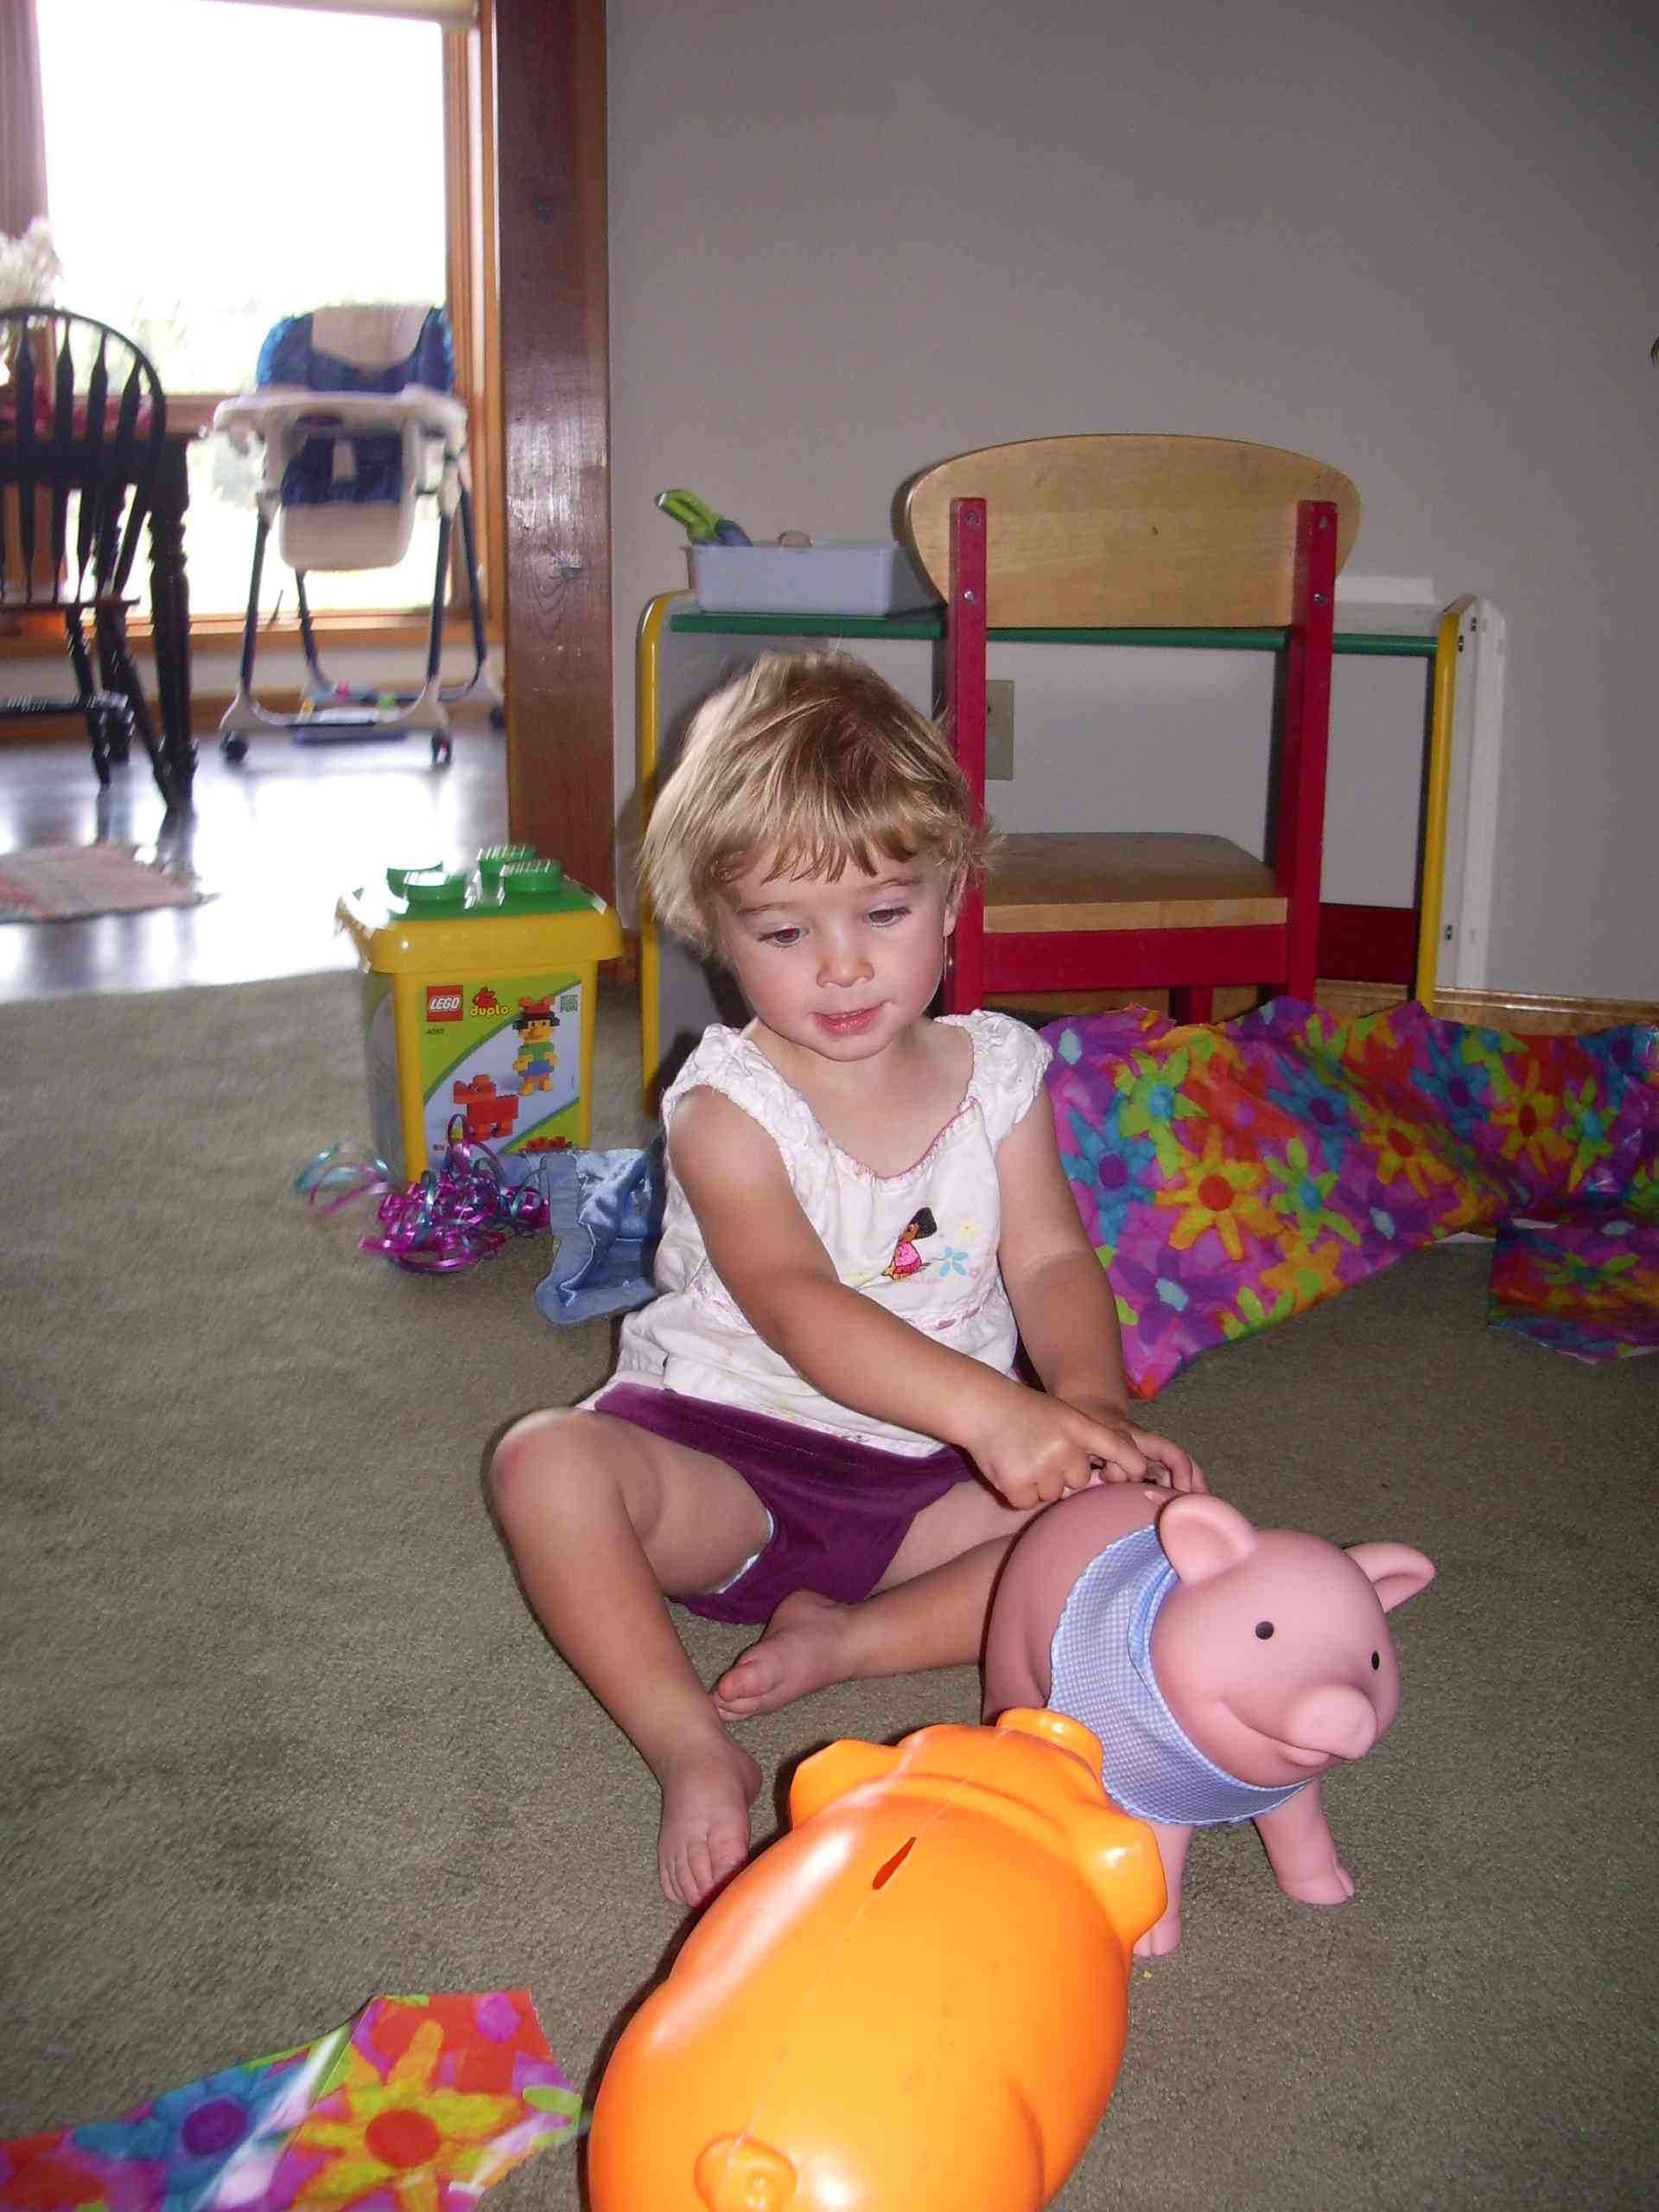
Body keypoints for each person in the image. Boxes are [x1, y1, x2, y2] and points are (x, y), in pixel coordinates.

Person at [488, 652, 1204, 1908]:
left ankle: (853, 1641)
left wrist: (1086, 1405)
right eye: (784, 931)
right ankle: (687, 1741)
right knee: (541, 1463)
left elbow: (1049, 1257)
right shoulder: (727, 1107)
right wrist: (999, 1413)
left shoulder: (999, 1075)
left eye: (883, 913)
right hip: (727, 1462)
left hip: (928, 1486)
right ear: (717, 930)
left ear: (953, 896)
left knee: (1148, 1522)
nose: (841, 967)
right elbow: (799, 1306)